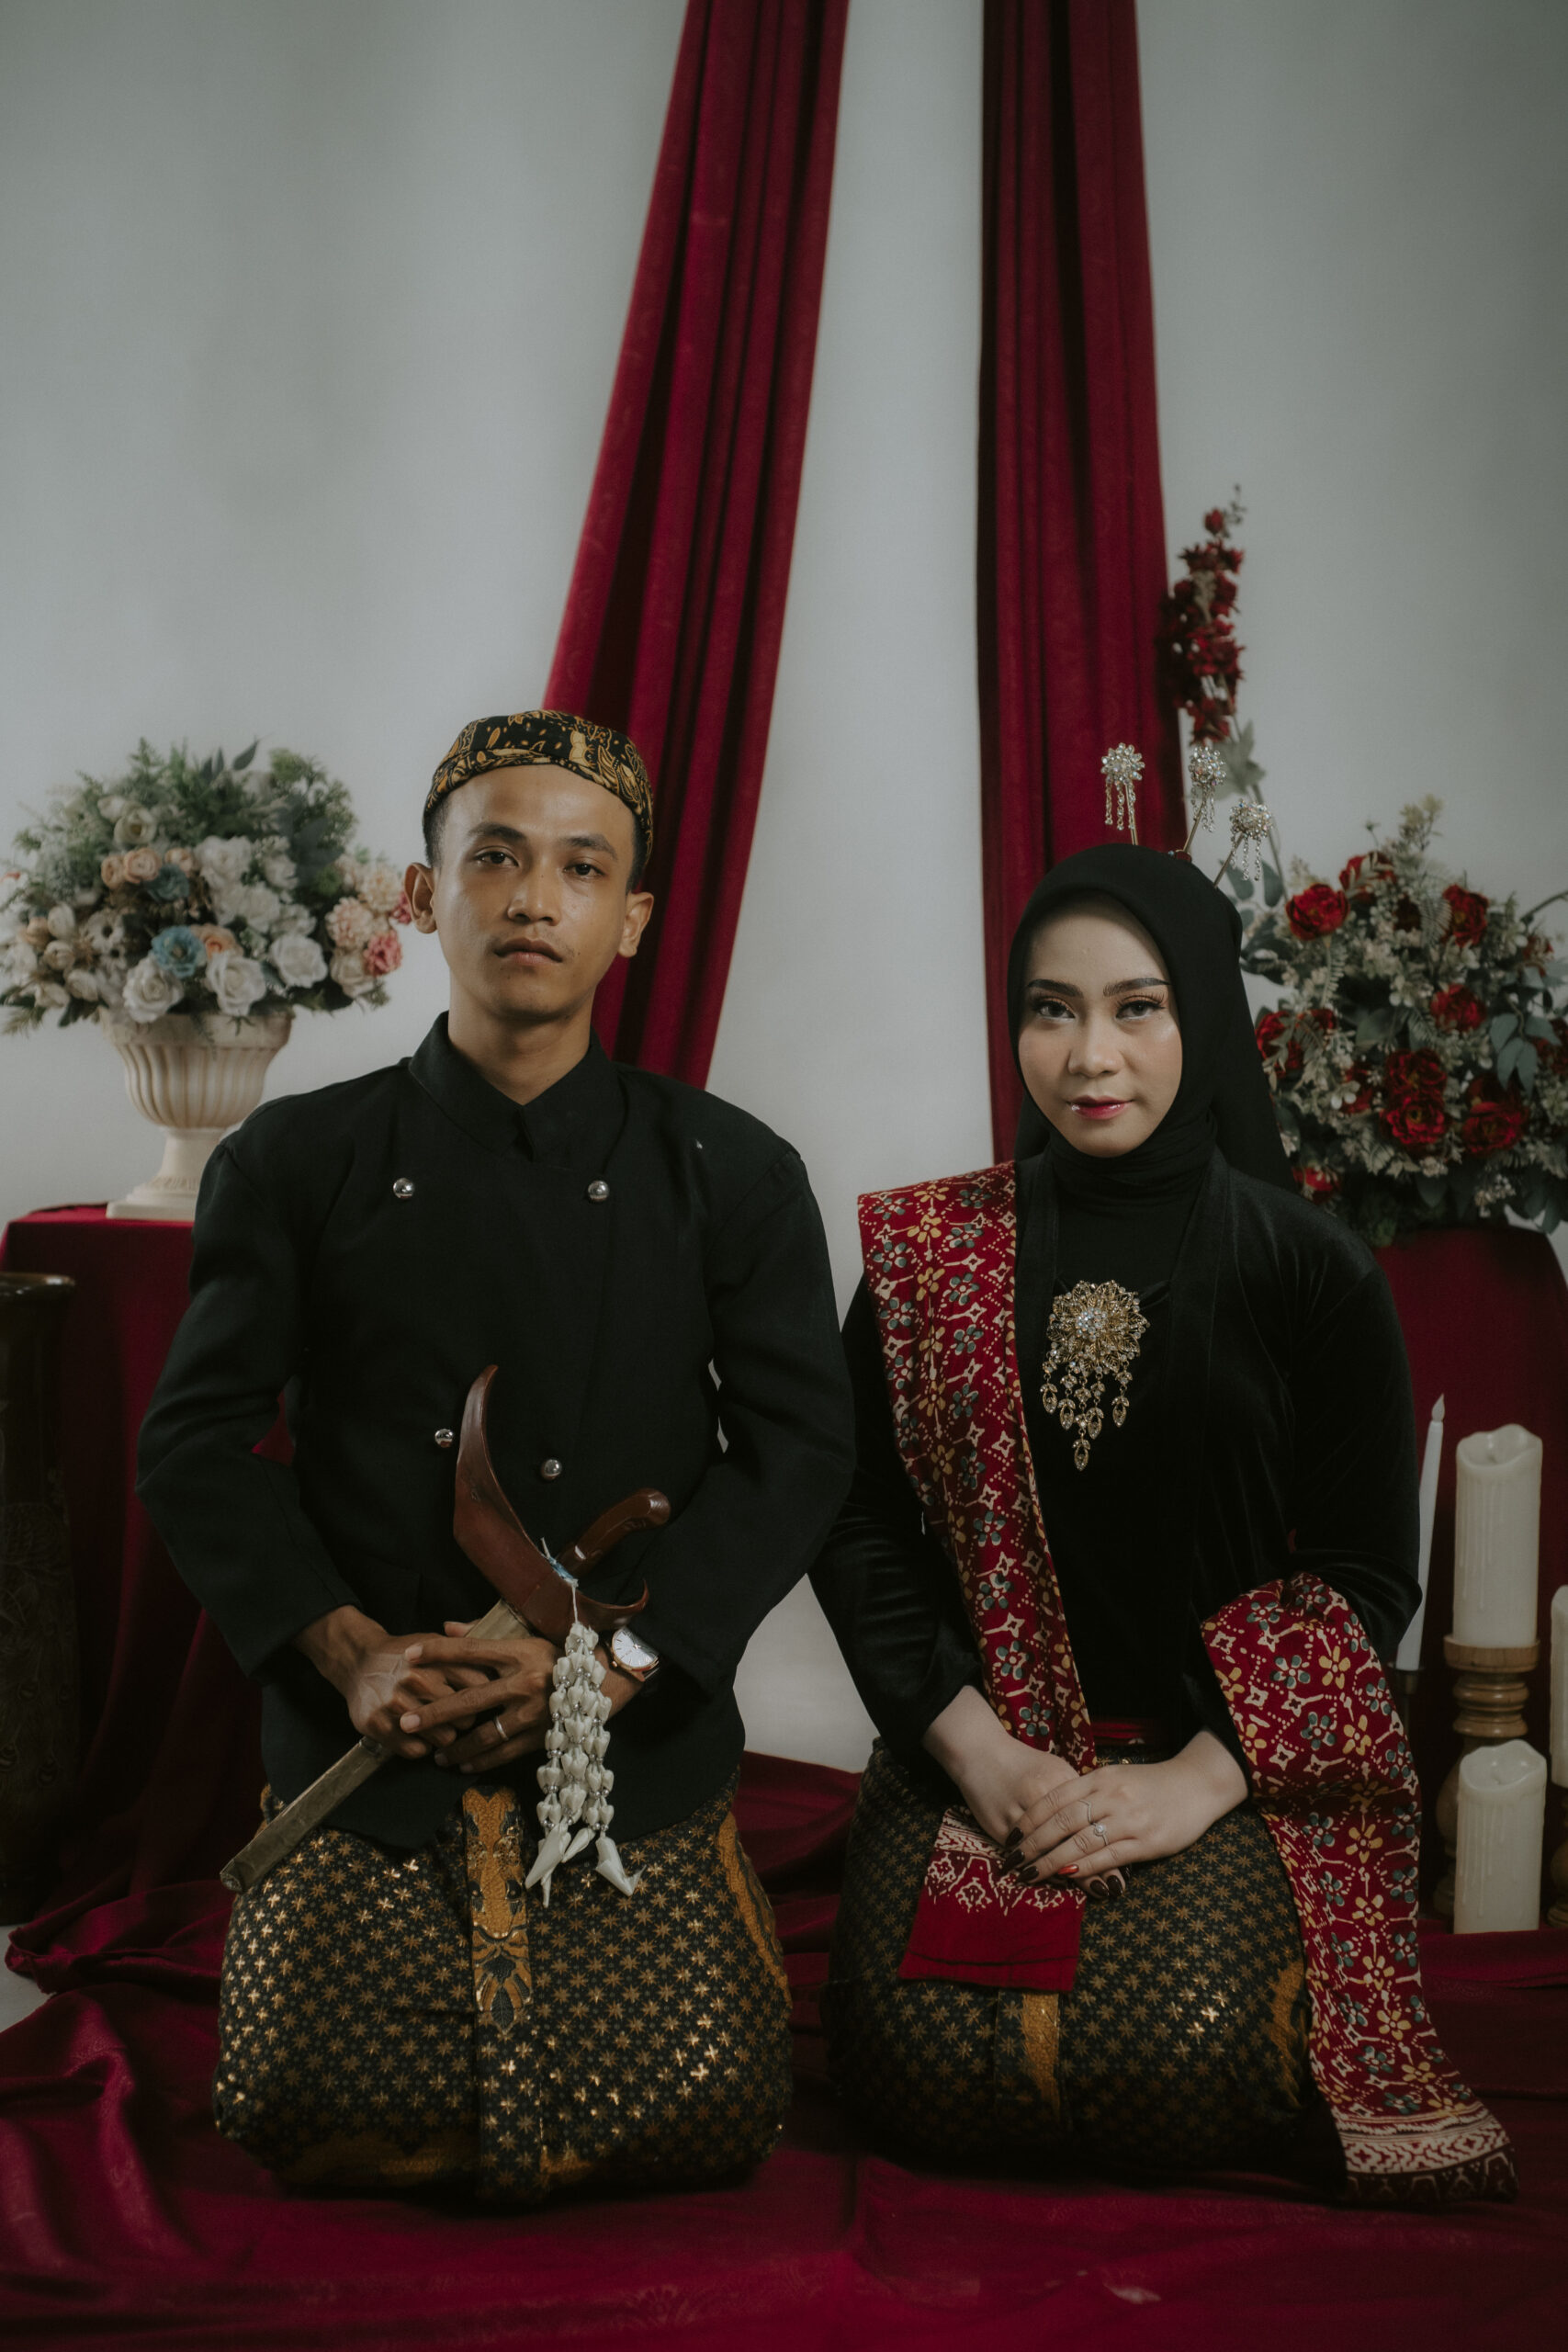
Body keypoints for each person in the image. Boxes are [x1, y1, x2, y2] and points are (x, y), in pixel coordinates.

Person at [139, 709, 853, 2203]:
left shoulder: (732, 1172)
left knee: (712, 2100)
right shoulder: (294, 1161)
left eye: (583, 869)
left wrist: (616, 1671)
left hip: (627, 1746)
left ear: (632, 919)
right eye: (497, 858)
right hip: (372, 1741)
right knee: (295, 2097)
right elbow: (195, 1442)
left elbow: (800, 1451)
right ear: (425, 893)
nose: (536, 899)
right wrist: (350, 1658)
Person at [810, 842, 1515, 2207]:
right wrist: (977, 1751)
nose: (1091, 1056)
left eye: (1137, 1007)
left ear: (1203, 1013)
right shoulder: (933, 1262)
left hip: (1222, 1765)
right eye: (1051, 1009)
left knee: (1191, 2054)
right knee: (914, 2065)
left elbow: (1365, 1573)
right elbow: (854, 1519)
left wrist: (1198, 1777)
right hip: (989, 1754)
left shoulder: (1310, 1271)